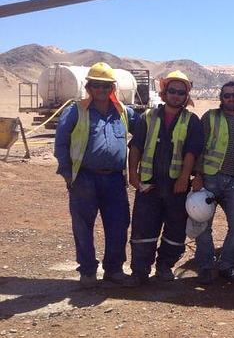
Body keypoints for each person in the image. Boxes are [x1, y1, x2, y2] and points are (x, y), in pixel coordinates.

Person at [54, 62, 137, 288]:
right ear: (89, 87)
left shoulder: (123, 112)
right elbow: (61, 143)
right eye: (97, 86)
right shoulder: (76, 111)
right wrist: (68, 174)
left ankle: (114, 269)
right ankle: (88, 271)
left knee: (118, 225)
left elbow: (146, 130)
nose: (101, 90)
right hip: (84, 178)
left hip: (114, 180)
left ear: (113, 88)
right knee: (83, 226)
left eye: (106, 86)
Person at [125, 70, 204, 286]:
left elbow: (192, 152)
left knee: (175, 230)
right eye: (172, 91)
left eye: (181, 92)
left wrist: (184, 177)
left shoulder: (191, 121)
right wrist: (133, 174)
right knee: (143, 229)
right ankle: (140, 271)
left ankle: (164, 266)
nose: (176, 95)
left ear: (186, 96)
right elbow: (136, 147)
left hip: (175, 186)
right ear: (164, 93)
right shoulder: (147, 117)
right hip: (149, 185)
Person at [192, 81, 234, 285]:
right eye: (227, 95)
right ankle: (205, 266)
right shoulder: (210, 117)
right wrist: (198, 175)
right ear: (221, 97)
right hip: (210, 178)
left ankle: (226, 265)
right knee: (203, 224)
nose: (231, 99)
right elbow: (199, 147)